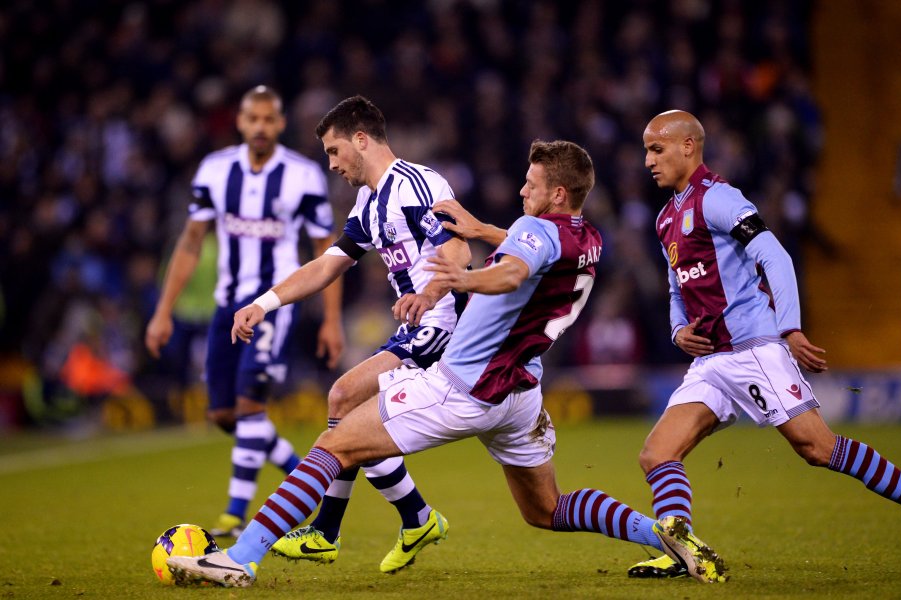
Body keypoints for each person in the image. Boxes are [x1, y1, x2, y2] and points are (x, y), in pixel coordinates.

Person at [166, 139, 728, 588]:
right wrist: (484, 231)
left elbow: (510, 271)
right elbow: (531, 249)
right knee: (547, 509)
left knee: (334, 444)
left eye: (531, 184)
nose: (521, 189)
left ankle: (241, 557)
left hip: (463, 386)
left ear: (557, 192)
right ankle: (665, 534)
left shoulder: (529, 231)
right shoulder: (588, 238)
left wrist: (460, 278)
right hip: (521, 395)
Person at [628, 109, 901, 580]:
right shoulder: (666, 218)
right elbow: (676, 287)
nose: (647, 160)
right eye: (646, 149)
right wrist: (677, 329)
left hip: (753, 349)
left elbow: (773, 255)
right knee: (657, 453)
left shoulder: (719, 199)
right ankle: (683, 550)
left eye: (656, 148)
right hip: (712, 361)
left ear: (688, 146)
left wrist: (790, 328)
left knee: (818, 449)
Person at [231, 95, 472, 573]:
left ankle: (329, 531)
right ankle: (412, 519)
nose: (332, 163)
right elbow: (327, 265)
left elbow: (461, 250)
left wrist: (428, 295)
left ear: (361, 140)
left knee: (343, 396)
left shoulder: (419, 185)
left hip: (448, 325)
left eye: (334, 150)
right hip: (414, 328)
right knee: (348, 413)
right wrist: (263, 303)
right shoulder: (368, 202)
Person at [145, 85, 345, 539]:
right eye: (252, 119)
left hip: (274, 303)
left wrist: (331, 320)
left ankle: (236, 515)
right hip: (225, 303)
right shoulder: (215, 170)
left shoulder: (303, 175)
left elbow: (326, 249)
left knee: (251, 407)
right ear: (239, 122)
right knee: (224, 416)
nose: (260, 127)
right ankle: (304, 473)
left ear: (280, 123)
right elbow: (191, 241)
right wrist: (163, 312)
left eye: (269, 119)